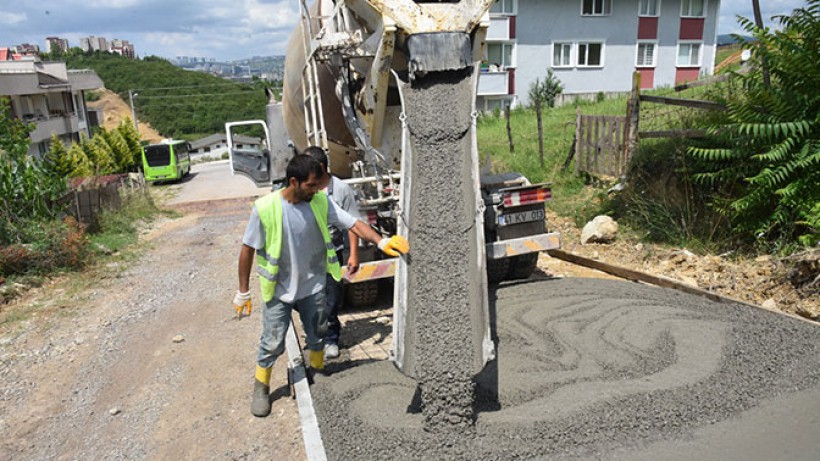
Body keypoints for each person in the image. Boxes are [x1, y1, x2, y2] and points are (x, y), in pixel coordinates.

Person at [233, 154, 409, 418]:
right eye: (311, 185)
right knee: (272, 342)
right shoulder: (265, 208)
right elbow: (247, 249)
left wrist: (381, 242)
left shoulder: (319, 202)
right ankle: (261, 386)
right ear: (294, 181)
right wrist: (243, 291)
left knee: (318, 332)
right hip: (280, 290)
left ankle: (317, 371)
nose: (316, 190)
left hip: (313, 285)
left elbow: (353, 223)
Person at [304, 147, 359, 359]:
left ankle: (331, 339)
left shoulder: (341, 190)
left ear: (320, 168)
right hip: (307, 256)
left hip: (331, 255)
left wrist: (353, 253)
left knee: (331, 299)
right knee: (308, 299)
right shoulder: (305, 188)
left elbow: (352, 223)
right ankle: (315, 334)